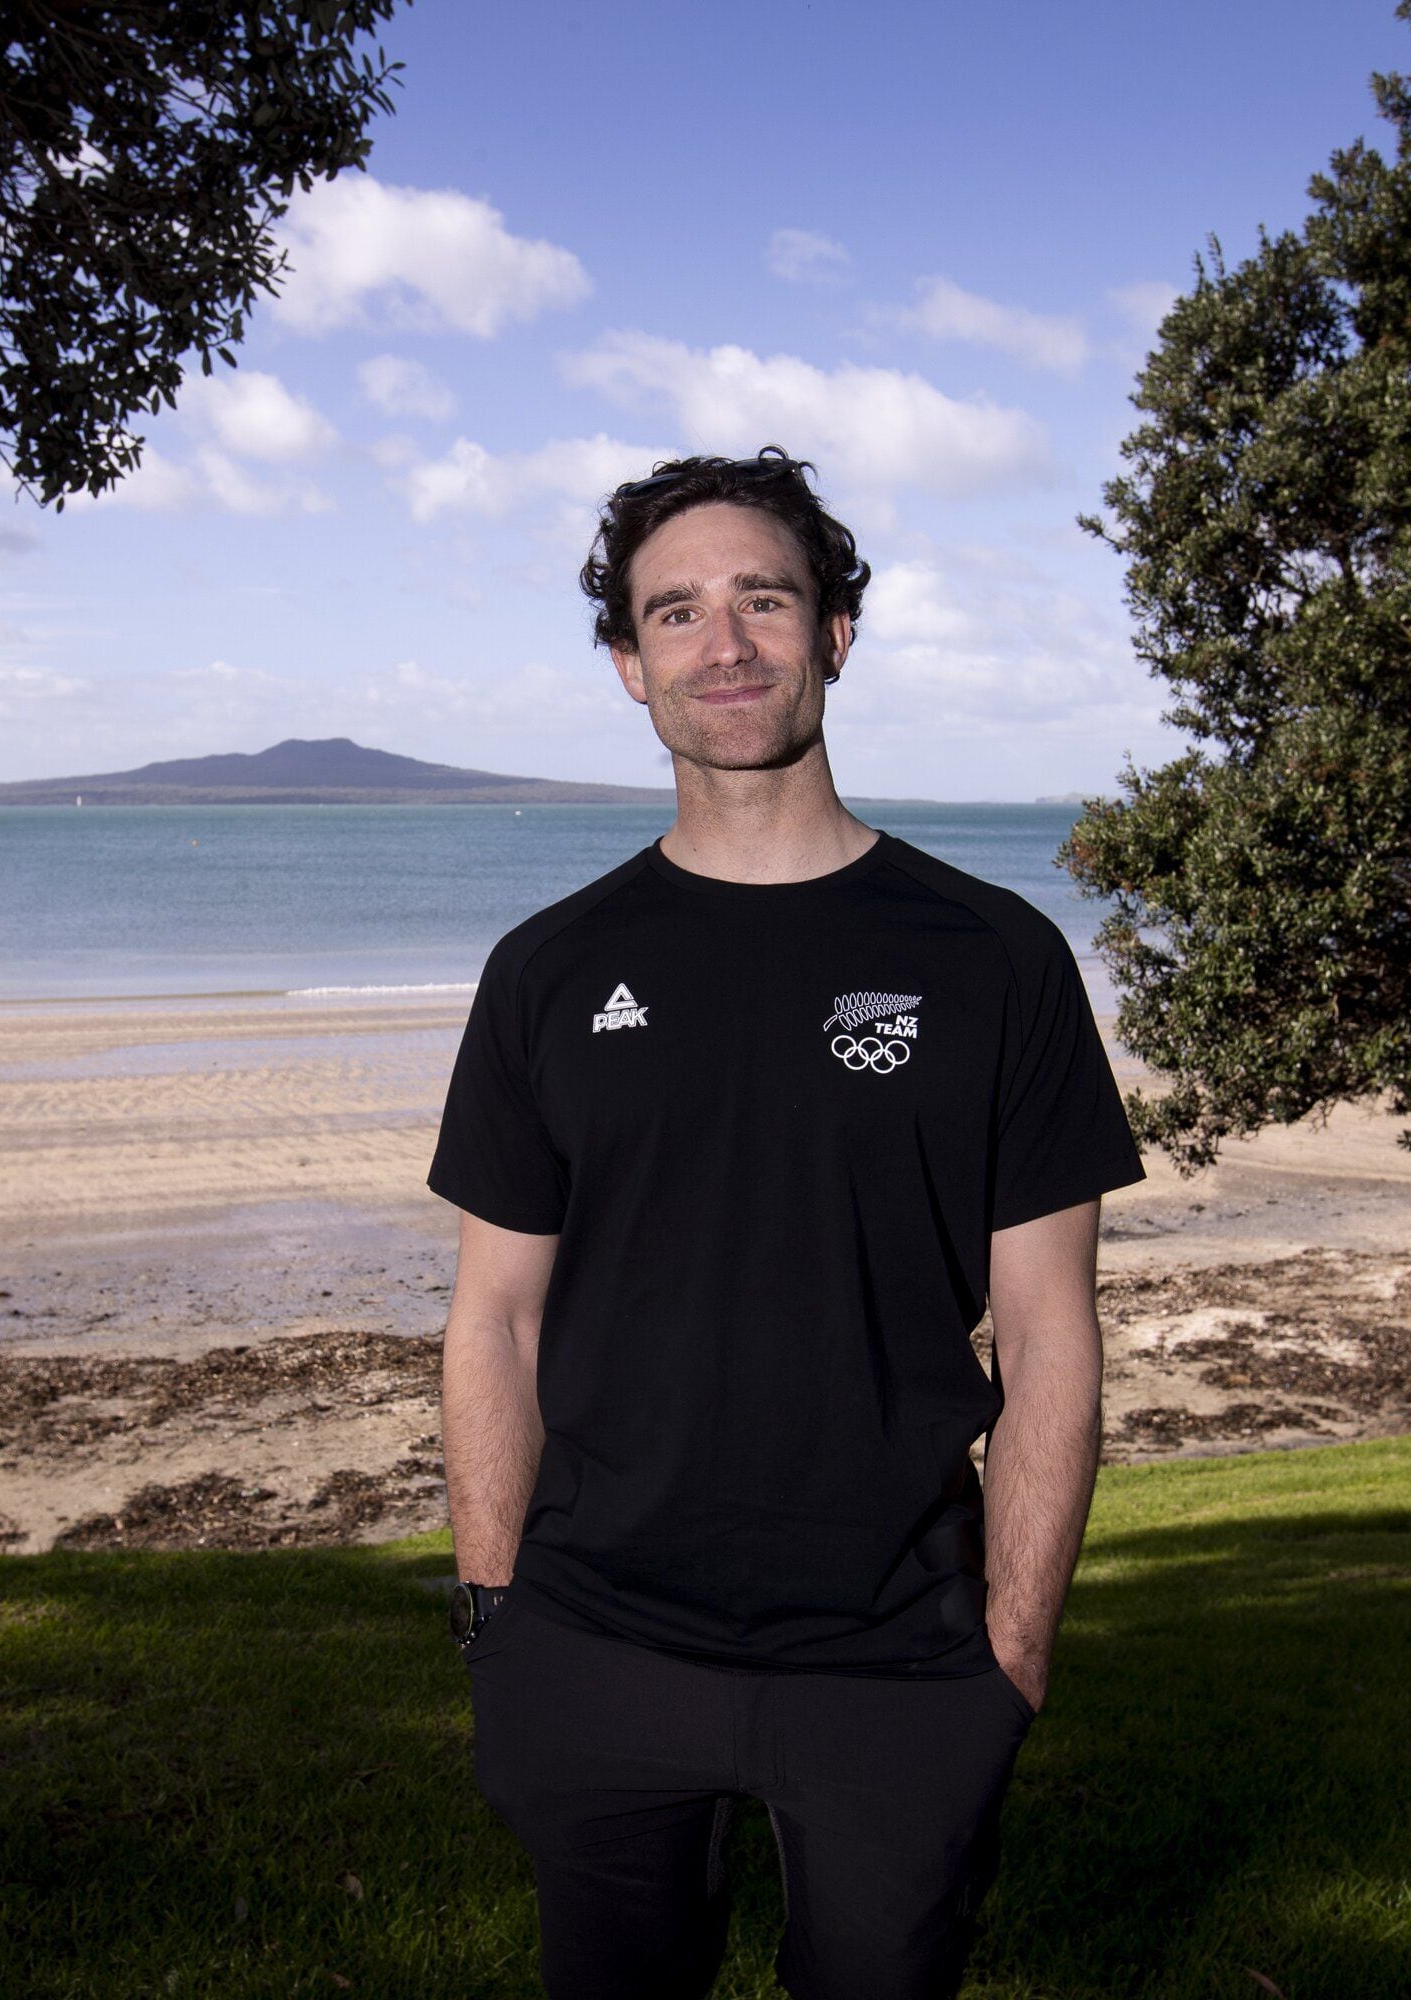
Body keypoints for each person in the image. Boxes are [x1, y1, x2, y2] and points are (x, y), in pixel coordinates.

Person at [431, 448, 1142, 1999]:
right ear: (628, 664)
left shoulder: (996, 959)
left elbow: (1049, 1331)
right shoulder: (550, 970)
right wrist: (499, 1617)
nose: (724, 641)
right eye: (675, 611)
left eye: (765, 597)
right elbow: (496, 1317)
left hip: (899, 1654)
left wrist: (1012, 1647)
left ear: (834, 631)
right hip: (596, 1644)